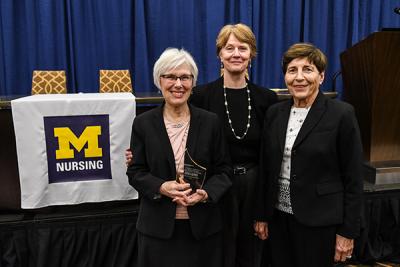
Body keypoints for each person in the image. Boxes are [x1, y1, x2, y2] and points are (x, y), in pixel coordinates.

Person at [254, 43, 363, 267]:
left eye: (308, 69)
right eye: (292, 70)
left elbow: (353, 177)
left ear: (321, 76)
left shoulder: (342, 114)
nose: (299, 77)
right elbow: (266, 168)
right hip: (278, 218)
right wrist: (262, 215)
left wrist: (348, 231)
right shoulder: (274, 113)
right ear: (285, 76)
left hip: (319, 222)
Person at [126, 48, 232, 267]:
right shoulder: (143, 123)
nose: (178, 84)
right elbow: (136, 172)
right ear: (159, 80)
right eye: (171, 77)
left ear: (193, 83)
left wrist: (206, 194)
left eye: (185, 77)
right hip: (157, 230)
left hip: (203, 229)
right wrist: (162, 187)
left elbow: (224, 171)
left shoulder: (210, 122)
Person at [190, 23, 278, 267]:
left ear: (252, 55)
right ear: (220, 54)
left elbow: (269, 156)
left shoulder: (266, 98)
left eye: (243, 48)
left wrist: (264, 209)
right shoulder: (201, 96)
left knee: (249, 254)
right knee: (218, 251)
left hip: (253, 185)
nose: (236, 54)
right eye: (229, 48)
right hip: (216, 187)